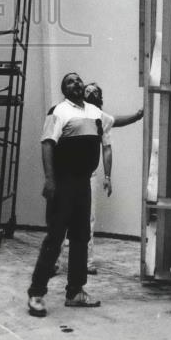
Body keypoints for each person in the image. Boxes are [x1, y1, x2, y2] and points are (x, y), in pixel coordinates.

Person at [27, 71, 112, 317]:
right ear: (65, 90)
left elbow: (113, 121)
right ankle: (36, 293)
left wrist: (139, 115)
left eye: (77, 79)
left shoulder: (93, 112)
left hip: (83, 184)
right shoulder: (59, 111)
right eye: (69, 81)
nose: (75, 82)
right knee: (54, 239)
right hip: (63, 183)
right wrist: (50, 180)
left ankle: (75, 291)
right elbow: (47, 143)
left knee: (80, 238)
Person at [55, 82, 143, 275]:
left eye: (95, 91)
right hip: (66, 174)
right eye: (88, 91)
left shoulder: (98, 117)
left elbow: (110, 140)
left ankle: (86, 261)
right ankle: (54, 261)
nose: (91, 93)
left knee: (88, 219)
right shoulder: (65, 113)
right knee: (62, 218)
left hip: (88, 176)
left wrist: (108, 176)